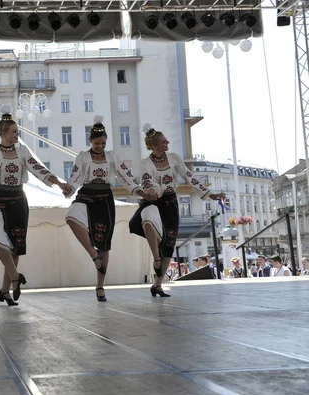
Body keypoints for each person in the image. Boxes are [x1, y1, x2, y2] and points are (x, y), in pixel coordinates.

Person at [0, 104, 71, 306]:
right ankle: (15, 276)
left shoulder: (23, 151)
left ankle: (5, 291)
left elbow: (39, 169)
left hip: (19, 199)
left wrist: (59, 183)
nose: (16, 135)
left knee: (15, 247)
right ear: (3, 133)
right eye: (13, 132)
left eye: (17, 132)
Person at [129, 122, 225, 297]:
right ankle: (156, 257)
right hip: (152, 201)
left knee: (170, 243)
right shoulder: (146, 163)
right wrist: (151, 190)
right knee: (144, 222)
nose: (167, 144)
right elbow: (147, 179)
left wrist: (209, 194)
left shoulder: (174, 158)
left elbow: (190, 177)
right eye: (164, 142)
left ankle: (157, 284)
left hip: (170, 203)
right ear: (155, 145)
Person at [63, 115, 146, 301]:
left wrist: (138, 190)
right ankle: (93, 255)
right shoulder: (83, 156)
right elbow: (76, 176)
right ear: (90, 141)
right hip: (86, 193)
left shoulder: (112, 156)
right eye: (97, 143)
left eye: (103, 143)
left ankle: (100, 287)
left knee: (104, 245)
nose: (100, 146)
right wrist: (68, 188)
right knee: (71, 217)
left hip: (105, 198)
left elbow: (125, 175)